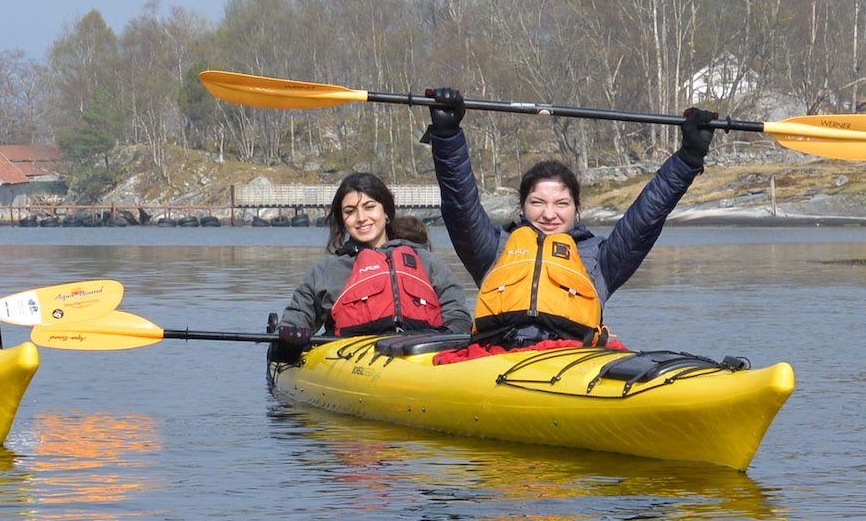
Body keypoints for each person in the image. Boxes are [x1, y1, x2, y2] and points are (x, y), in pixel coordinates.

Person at [423, 86, 718, 351]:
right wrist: (447, 135)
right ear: (522, 207)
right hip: (498, 356)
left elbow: (648, 215)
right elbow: (459, 203)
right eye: (537, 202)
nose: (549, 214)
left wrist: (689, 157)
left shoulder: (602, 259)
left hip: (571, 360)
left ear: (576, 208)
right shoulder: (491, 249)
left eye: (561, 203)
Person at [270, 172, 473, 364]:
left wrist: (450, 336)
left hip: (422, 357)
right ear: (343, 220)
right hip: (349, 361)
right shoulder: (326, 271)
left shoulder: (427, 262)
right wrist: (290, 338)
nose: (361, 218)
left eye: (369, 207)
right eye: (350, 212)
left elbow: (456, 313)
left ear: (385, 212)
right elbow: (297, 317)